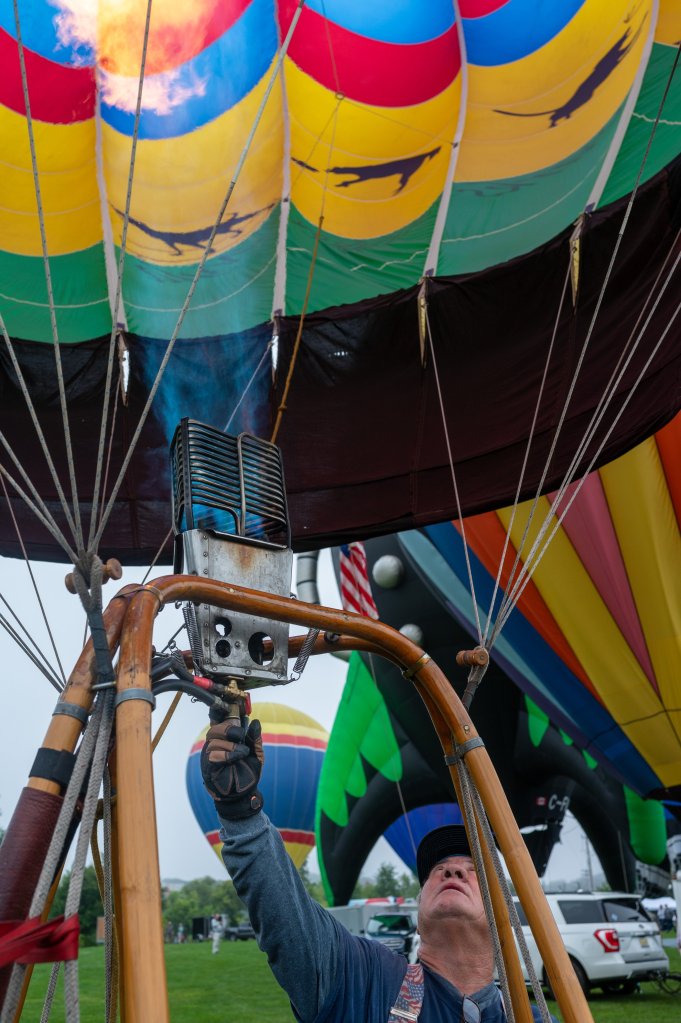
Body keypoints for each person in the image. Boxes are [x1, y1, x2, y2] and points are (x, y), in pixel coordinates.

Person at [201, 710, 557, 1022]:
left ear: (506, 912)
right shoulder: (363, 978)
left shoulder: (533, 1017)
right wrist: (240, 812)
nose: (451, 871)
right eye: (438, 869)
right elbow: (287, 914)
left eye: (473, 870)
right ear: (419, 908)